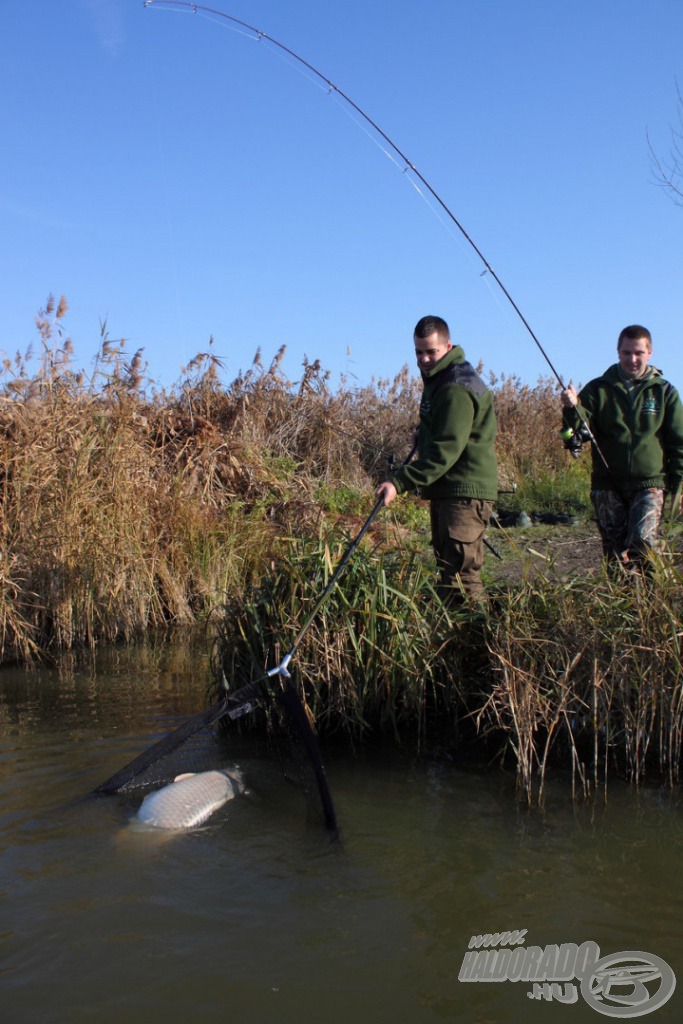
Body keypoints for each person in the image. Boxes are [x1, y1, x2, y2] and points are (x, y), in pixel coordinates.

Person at [375, 315, 498, 603]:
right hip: (450, 489)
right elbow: (447, 435)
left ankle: (479, 643)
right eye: (419, 352)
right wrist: (425, 436)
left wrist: (398, 482)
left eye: (432, 351)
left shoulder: (454, 387)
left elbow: (446, 452)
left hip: (463, 492)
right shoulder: (441, 380)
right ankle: (456, 640)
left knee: (462, 577)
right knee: (448, 573)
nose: (425, 359)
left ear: (448, 345)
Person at [560, 324, 683, 565]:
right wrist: (571, 406)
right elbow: (578, 430)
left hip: (650, 483)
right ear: (618, 352)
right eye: (627, 353)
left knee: (643, 542)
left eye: (638, 352)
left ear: (650, 352)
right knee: (615, 553)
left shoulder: (664, 392)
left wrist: (679, 487)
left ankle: (650, 598)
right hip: (607, 485)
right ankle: (623, 599)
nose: (632, 359)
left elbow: (678, 444)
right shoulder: (598, 389)